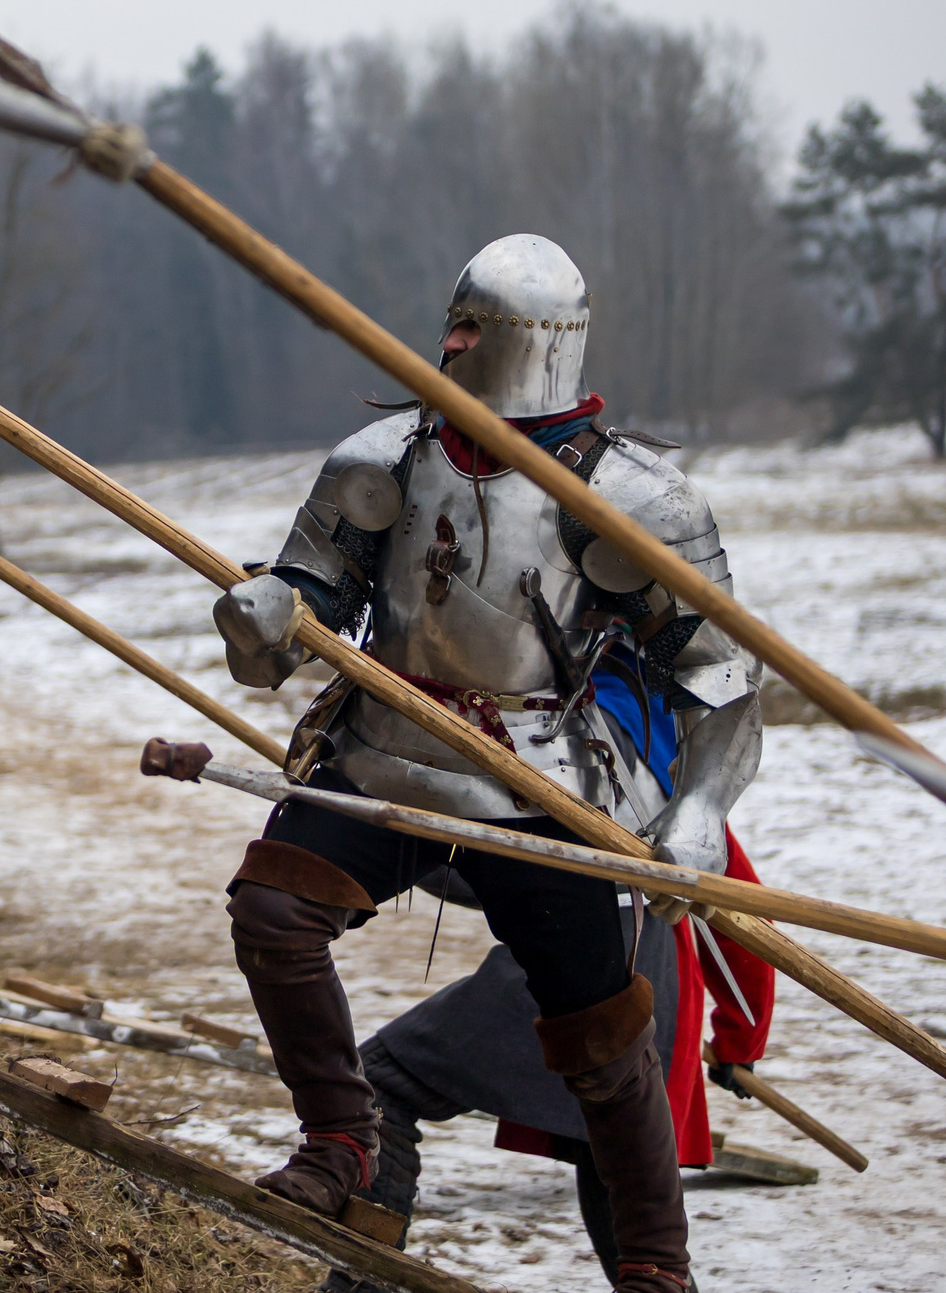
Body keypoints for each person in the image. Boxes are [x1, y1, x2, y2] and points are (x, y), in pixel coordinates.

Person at [212, 234, 764, 1293]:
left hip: (546, 777)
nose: (451, 342)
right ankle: (340, 1142)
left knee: (601, 1041)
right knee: (274, 912)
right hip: (383, 745)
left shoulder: (630, 497)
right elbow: (296, 624)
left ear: (527, 344)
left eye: (475, 329)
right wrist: (264, 614)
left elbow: (722, 678)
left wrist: (696, 810)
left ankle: (653, 1265)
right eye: (452, 321)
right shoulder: (380, 463)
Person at [330, 834, 777, 1291]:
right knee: (627, 1190)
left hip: (576, 967)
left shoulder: (668, 775)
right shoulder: (667, 772)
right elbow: (493, 868)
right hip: (639, 980)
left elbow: (731, 908)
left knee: (385, 1084)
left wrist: (739, 1037)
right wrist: (739, 1039)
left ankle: (362, 1284)